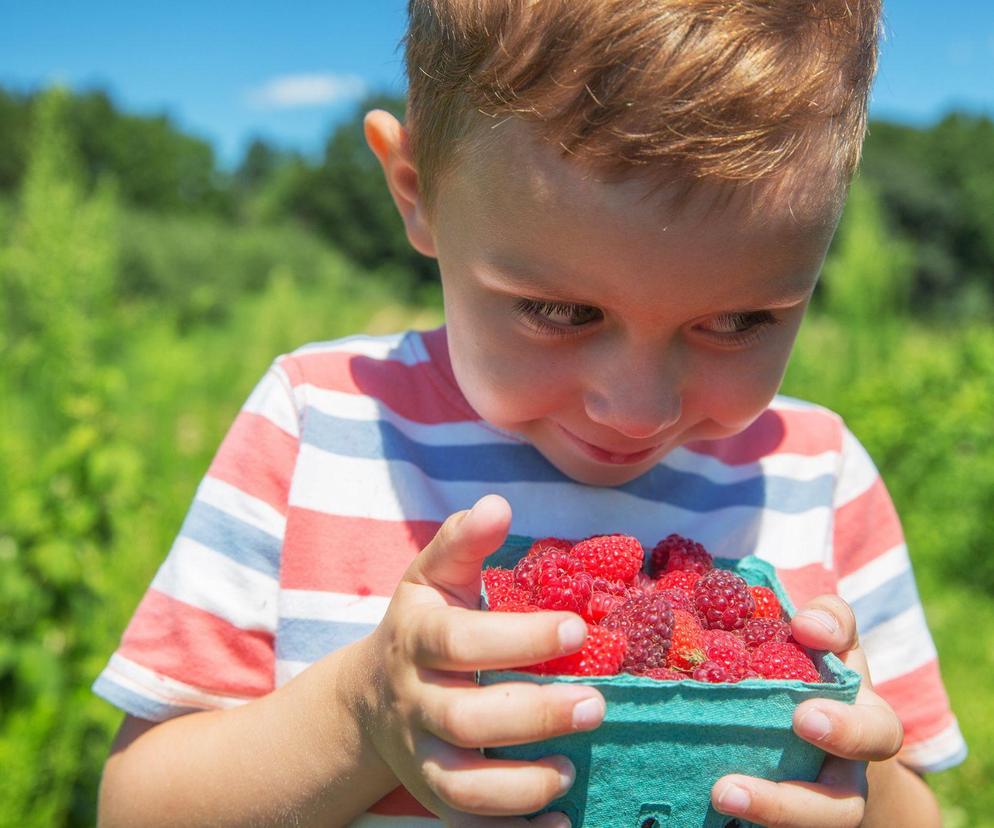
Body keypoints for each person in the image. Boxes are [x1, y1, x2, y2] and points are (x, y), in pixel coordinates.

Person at [93, 1, 966, 825]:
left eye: (738, 322)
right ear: (416, 192)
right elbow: (133, 806)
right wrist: (361, 716)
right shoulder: (319, 421)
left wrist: (851, 769)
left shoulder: (819, 475)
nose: (636, 407)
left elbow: (917, 808)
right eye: (560, 311)